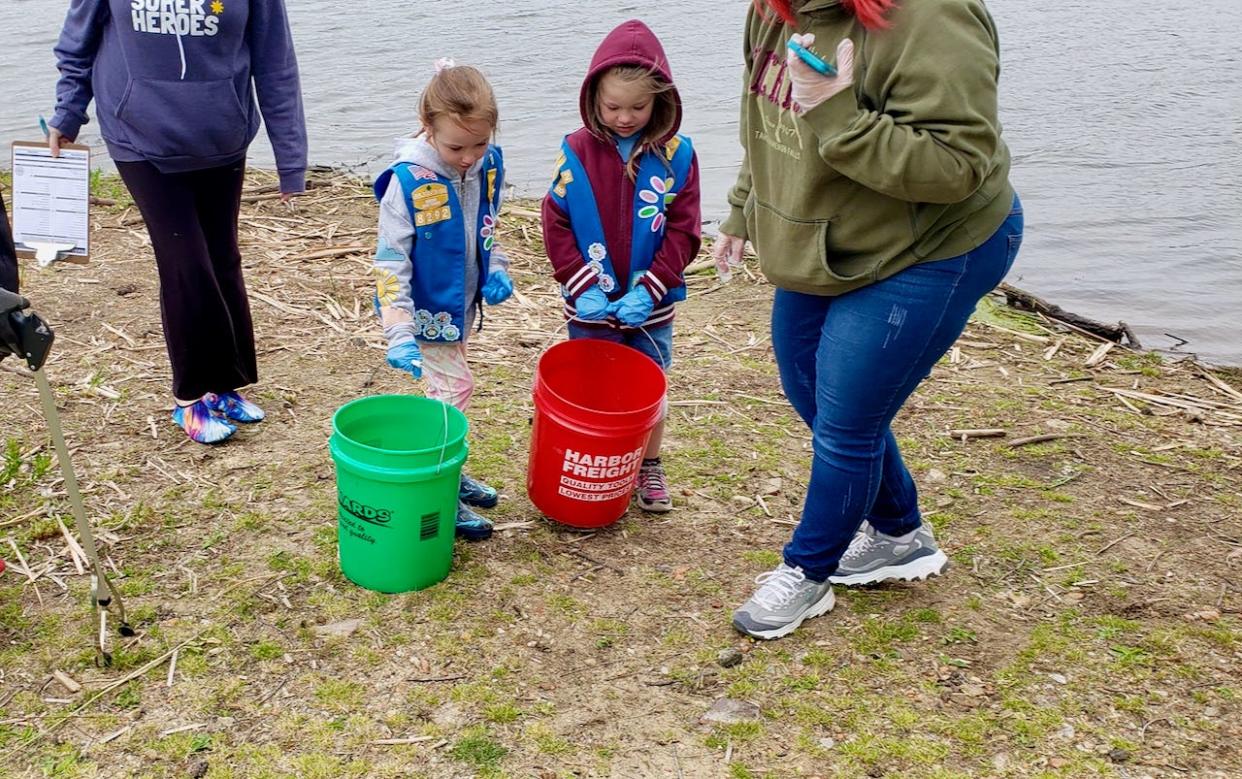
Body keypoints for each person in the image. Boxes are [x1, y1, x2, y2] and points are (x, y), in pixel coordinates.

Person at [719, 0, 1024, 639]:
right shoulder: (777, 9)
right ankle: (898, 531)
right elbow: (766, 116)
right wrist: (745, 207)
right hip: (829, 238)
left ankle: (807, 572)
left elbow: (957, 167)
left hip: (934, 246)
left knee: (849, 421)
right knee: (811, 392)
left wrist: (837, 111)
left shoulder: (934, 18)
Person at [48, 0, 308, 444]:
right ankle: (189, 394)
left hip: (221, 136)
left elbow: (275, 63)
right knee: (185, 262)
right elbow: (78, 45)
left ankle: (224, 384)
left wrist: (290, 158)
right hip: (138, 136)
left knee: (222, 259)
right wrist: (68, 114)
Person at [541, 19, 702, 514]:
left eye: (638, 106)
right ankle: (591, 457)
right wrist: (579, 281)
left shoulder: (678, 156)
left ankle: (648, 465)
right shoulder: (576, 151)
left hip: (649, 302)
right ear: (594, 98)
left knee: (650, 381)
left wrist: (650, 289)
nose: (625, 117)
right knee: (590, 382)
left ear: (661, 100)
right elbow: (556, 222)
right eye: (612, 107)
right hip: (589, 298)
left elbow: (684, 230)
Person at [371, 61, 514, 542]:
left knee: (446, 394)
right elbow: (391, 263)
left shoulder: (486, 165)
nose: (469, 157)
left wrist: (496, 269)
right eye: (456, 146)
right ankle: (438, 487)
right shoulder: (407, 183)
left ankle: (451, 469)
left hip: (462, 307)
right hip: (425, 314)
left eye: (480, 143)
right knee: (453, 393)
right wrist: (398, 331)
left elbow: (489, 226)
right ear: (428, 127)